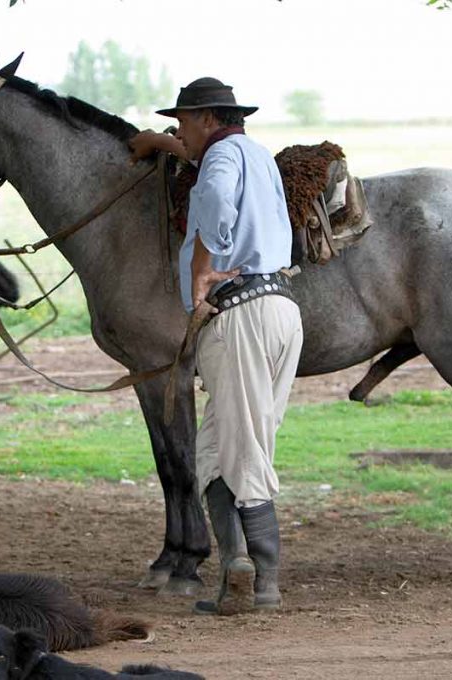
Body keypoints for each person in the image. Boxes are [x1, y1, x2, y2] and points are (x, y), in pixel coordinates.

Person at [131, 78, 304, 614]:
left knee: (243, 450)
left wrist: (203, 267)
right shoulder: (254, 153)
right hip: (277, 309)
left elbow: (215, 199)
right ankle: (237, 568)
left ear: (207, 119)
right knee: (214, 453)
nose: (179, 130)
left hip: (239, 318)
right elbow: (198, 160)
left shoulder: (221, 159)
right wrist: (159, 144)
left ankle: (264, 580)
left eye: (182, 121)